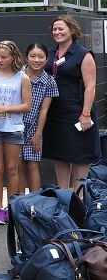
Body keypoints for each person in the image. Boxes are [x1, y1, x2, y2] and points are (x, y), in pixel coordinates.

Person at [44, 16, 98, 191]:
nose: (57, 32)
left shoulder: (83, 54)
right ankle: (63, 195)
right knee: (60, 155)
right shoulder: (50, 53)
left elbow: (90, 87)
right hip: (55, 113)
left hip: (77, 111)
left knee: (79, 155)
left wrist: (86, 113)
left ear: (72, 31)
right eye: (54, 29)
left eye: (61, 29)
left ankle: (79, 198)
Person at [0, 40, 31, 225]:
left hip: (13, 127)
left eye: (4, 57)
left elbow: (27, 105)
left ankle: (12, 206)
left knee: (12, 168)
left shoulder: (22, 77)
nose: (0, 60)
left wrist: (6, 108)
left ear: (13, 57)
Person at [22, 43, 59, 193]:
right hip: (14, 126)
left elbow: (44, 110)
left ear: (47, 59)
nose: (36, 60)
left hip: (33, 129)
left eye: (41, 57)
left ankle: (34, 201)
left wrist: (38, 134)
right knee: (16, 166)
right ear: (26, 57)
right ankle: (18, 202)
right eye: (32, 56)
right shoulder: (17, 75)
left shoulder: (49, 81)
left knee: (32, 164)